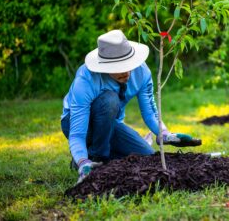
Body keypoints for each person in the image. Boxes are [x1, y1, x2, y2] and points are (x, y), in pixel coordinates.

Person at [61, 29, 194, 184]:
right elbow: (77, 133)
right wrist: (83, 161)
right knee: (110, 100)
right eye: (118, 67)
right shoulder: (86, 80)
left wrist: (164, 134)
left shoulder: (142, 72)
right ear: (105, 66)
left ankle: (95, 154)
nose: (126, 72)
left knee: (147, 156)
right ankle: (93, 159)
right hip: (75, 123)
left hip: (111, 124)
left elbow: (150, 112)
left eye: (128, 64)